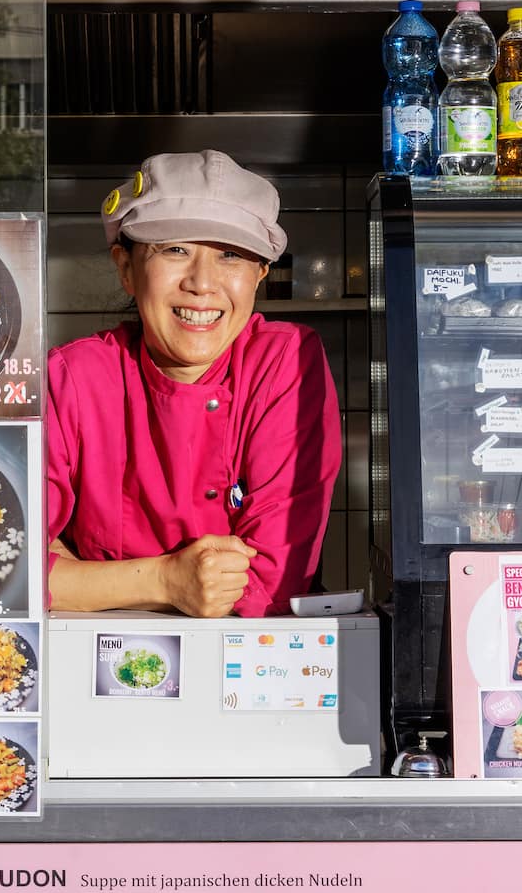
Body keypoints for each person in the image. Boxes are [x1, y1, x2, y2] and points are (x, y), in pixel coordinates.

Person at [47, 149, 342, 617]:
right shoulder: (74, 377)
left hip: (255, 669)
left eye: (230, 255)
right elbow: (7, 572)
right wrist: (168, 580)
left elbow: (272, 581)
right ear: (126, 268)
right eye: (175, 249)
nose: (203, 284)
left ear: (259, 275)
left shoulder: (286, 361)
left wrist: (83, 579)